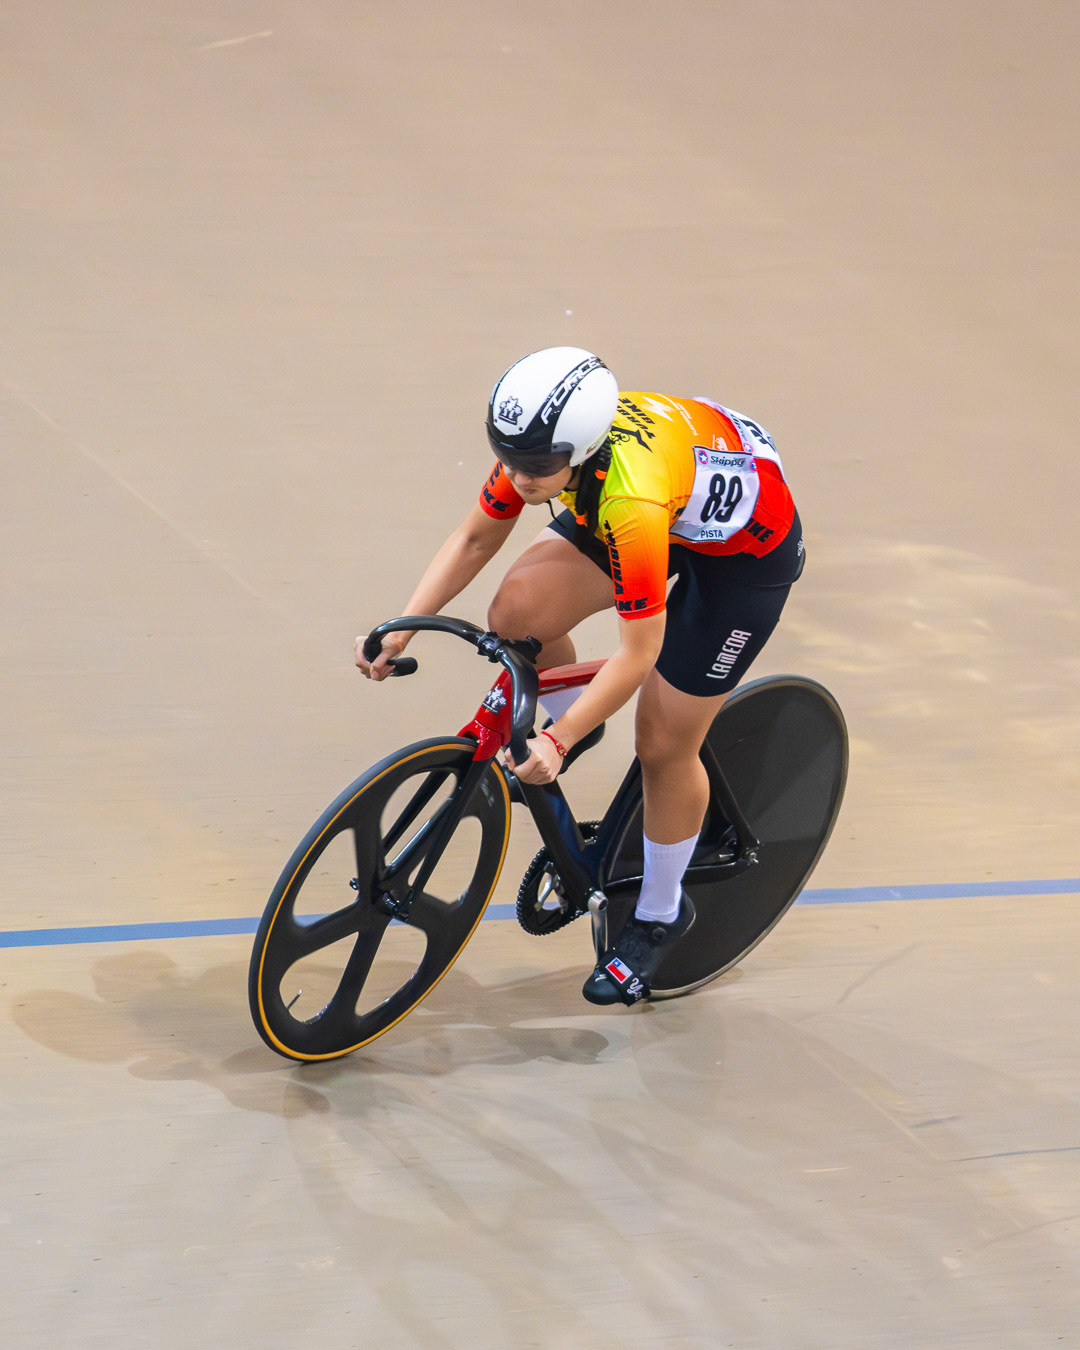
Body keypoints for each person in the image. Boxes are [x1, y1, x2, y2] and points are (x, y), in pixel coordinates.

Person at [356, 347, 804, 1006]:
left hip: (741, 560)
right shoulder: (537, 447)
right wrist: (401, 625)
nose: (516, 475)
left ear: (581, 449)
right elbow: (476, 539)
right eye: (504, 454)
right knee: (517, 611)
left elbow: (638, 651)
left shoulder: (627, 496)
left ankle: (657, 913)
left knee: (661, 739)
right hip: (674, 503)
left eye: (534, 467)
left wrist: (559, 738)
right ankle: (568, 707)